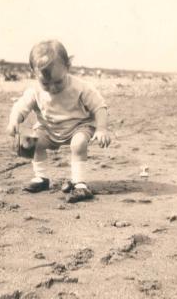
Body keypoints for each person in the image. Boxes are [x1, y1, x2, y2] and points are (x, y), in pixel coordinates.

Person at [7, 40, 111, 201]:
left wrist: (102, 128)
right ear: (34, 73)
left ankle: (79, 183)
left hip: (78, 126)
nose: (53, 88)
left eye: (58, 82)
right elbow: (20, 107)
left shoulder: (81, 87)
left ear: (67, 67)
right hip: (49, 129)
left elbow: (99, 106)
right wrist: (14, 121)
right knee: (26, 143)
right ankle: (41, 178)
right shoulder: (34, 91)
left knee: (78, 144)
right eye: (46, 83)